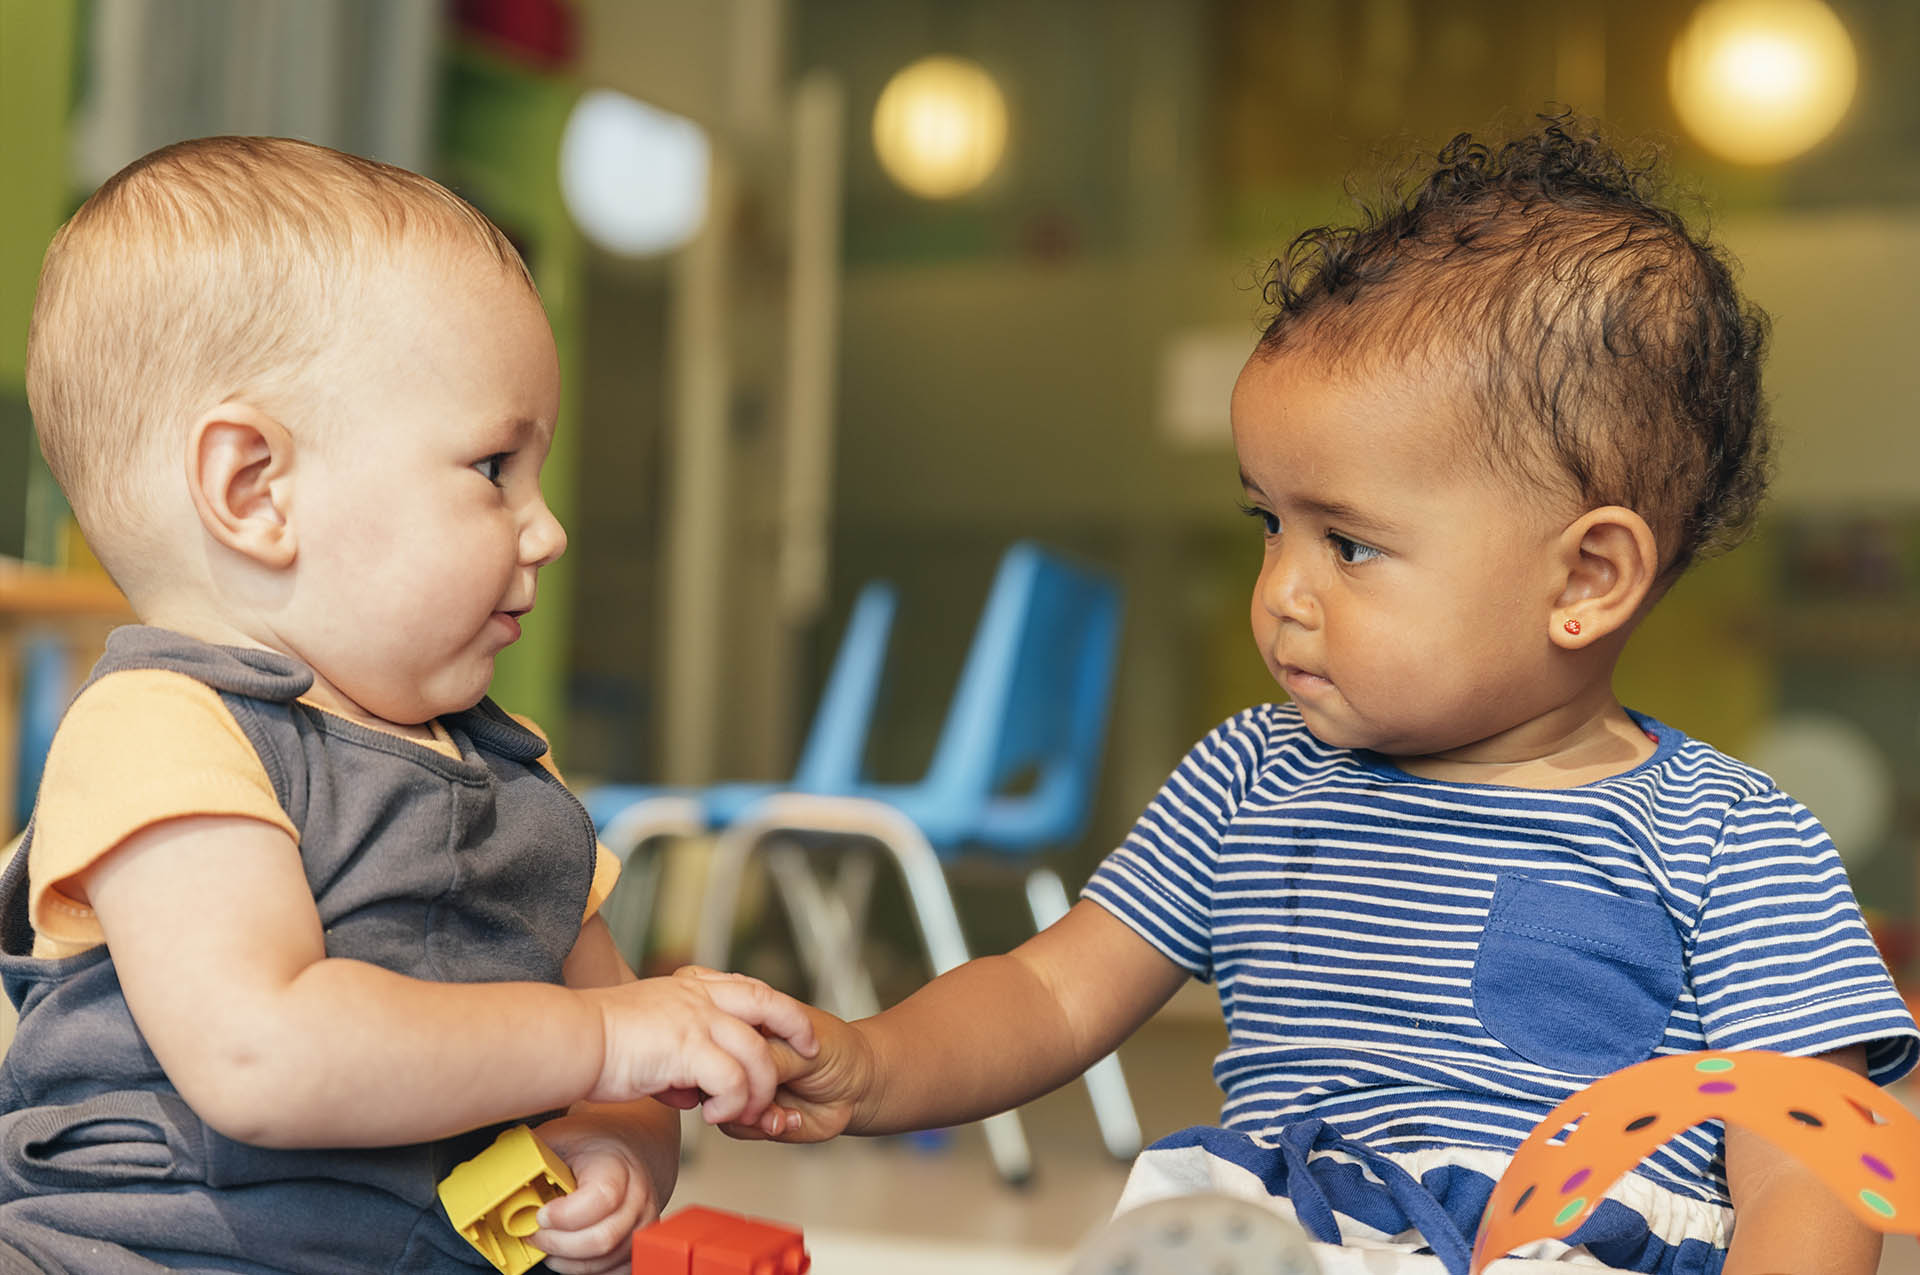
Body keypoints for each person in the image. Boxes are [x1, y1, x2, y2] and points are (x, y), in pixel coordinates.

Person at [733, 117, 1920, 1274]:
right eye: (1268, 523)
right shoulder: (1250, 775)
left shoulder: (1732, 839)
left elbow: (1804, 1157)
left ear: (1586, 578)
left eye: (1348, 544)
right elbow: (1048, 994)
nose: (1282, 593)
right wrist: (872, 1063)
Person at [0, 136, 817, 1275]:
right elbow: (263, 1053)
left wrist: (617, 1148)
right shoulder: (165, 733)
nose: (548, 529)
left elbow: (620, 1055)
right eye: (492, 469)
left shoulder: (522, 786)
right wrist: (596, 1043)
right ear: (255, 489)